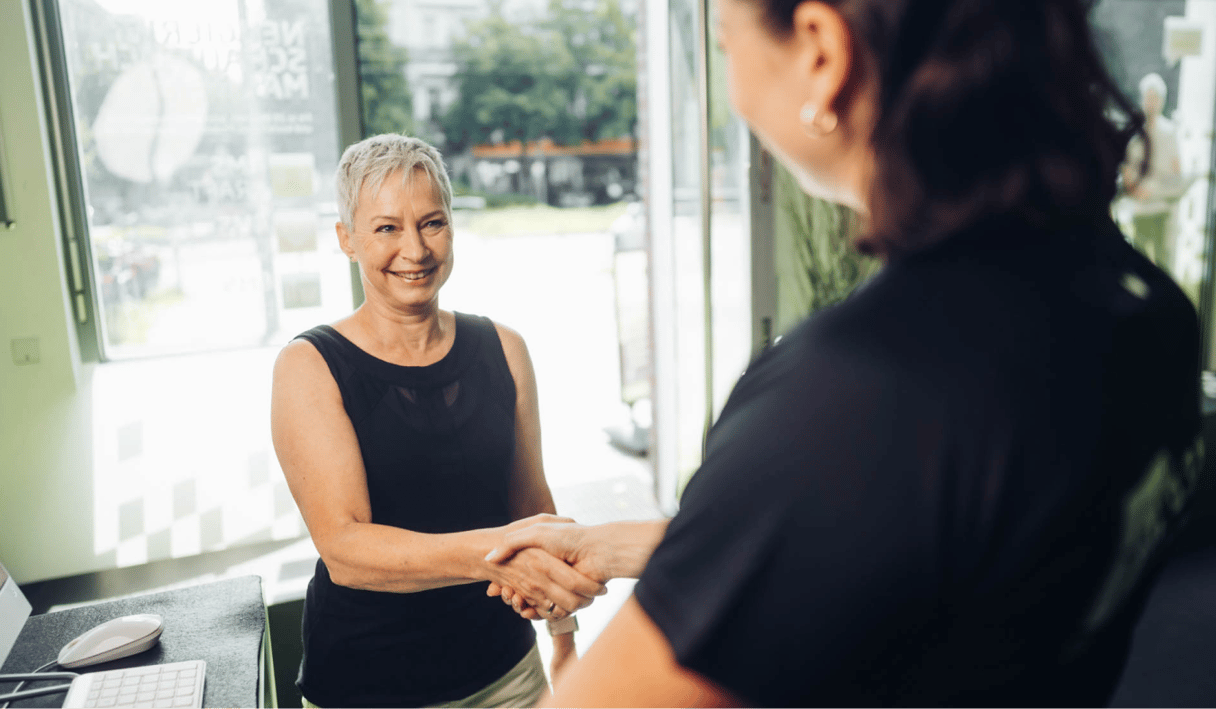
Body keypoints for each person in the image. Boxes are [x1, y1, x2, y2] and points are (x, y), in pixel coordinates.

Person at [486, 0, 1205, 706]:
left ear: (821, 52)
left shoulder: (860, 392)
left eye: (726, 41)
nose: (730, 82)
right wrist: (635, 549)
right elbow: (929, 532)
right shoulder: (1143, 304)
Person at [270, 134, 606, 709]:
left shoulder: (504, 347)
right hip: (368, 685)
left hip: (506, 671)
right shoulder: (309, 366)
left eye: (432, 222)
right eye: (386, 228)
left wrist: (564, 638)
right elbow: (347, 550)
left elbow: (532, 505)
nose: (415, 249)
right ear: (346, 239)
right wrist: (504, 551)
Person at [1120, 72, 1185, 270]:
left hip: (1163, 212)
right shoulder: (1134, 134)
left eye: (1155, 97)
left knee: (1163, 264)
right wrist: (1133, 189)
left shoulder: (1170, 132)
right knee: (1139, 264)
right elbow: (1126, 170)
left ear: (1161, 101)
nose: (1151, 102)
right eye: (1148, 97)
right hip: (1140, 211)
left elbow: (1176, 171)